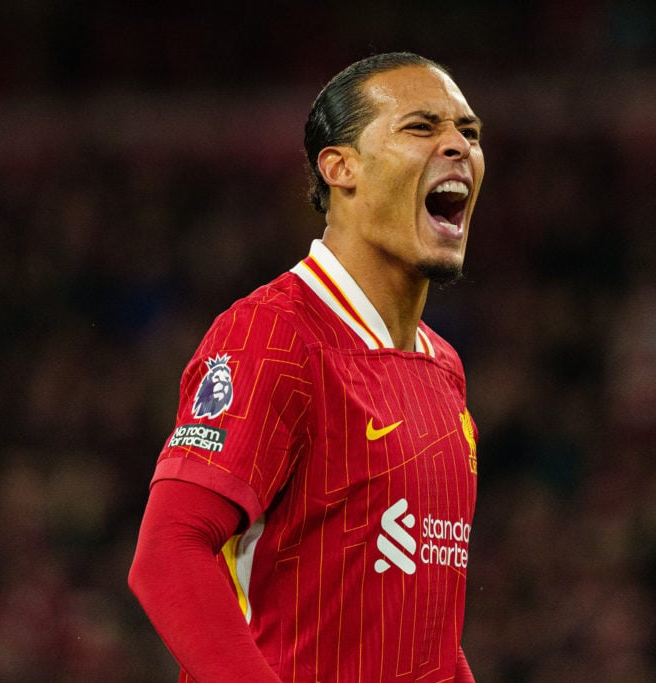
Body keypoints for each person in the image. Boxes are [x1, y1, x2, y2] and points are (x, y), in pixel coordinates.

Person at [128, 52, 485, 682]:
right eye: (422, 127)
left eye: (469, 132)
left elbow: (423, 632)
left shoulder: (443, 370)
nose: (457, 146)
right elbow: (167, 554)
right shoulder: (272, 335)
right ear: (340, 167)